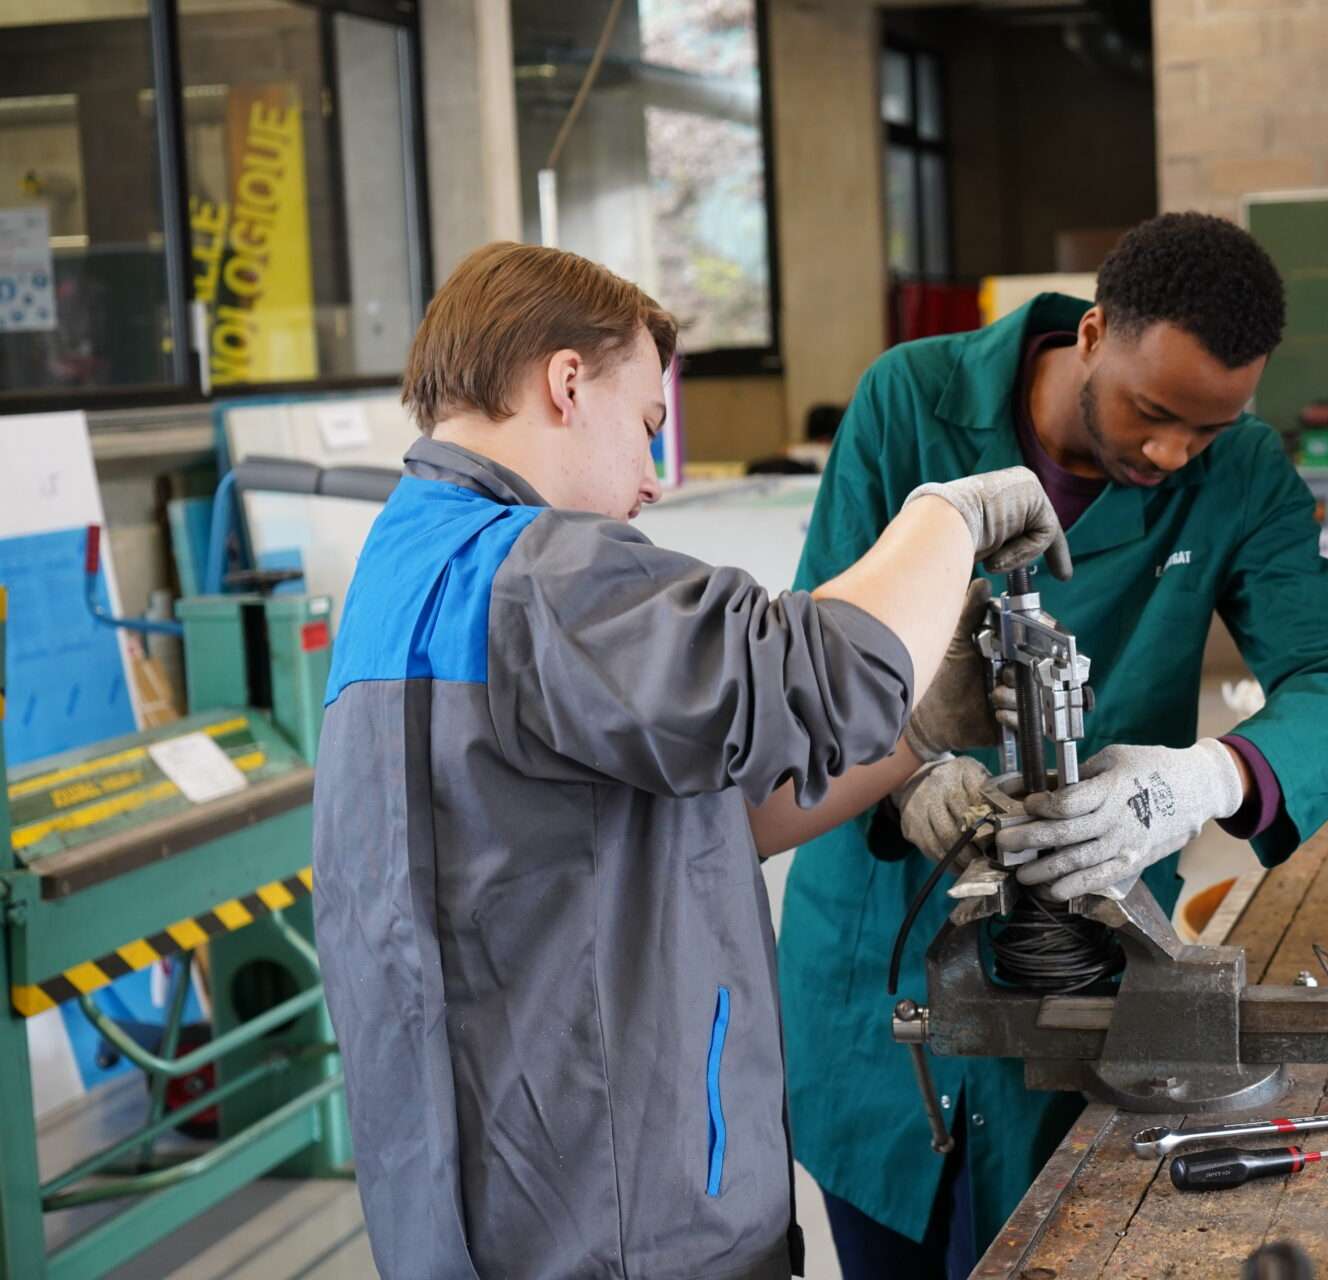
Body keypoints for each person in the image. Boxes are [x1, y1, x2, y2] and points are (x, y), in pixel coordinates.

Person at [311, 241, 1068, 1280]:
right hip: (626, 1225)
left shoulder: (406, 566)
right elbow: (823, 673)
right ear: (566, 382)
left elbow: (701, 813)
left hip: (487, 1215)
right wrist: (950, 515)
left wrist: (918, 729)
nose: (653, 481)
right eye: (647, 426)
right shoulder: (545, 570)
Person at [779, 212, 1328, 1276]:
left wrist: (1204, 778)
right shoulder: (909, 400)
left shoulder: (1238, 471)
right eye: (1153, 414)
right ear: (1096, 333)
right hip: (877, 958)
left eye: (1204, 430)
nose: (1171, 454)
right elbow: (823, 658)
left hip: (1096, 962)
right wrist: (913, 777)